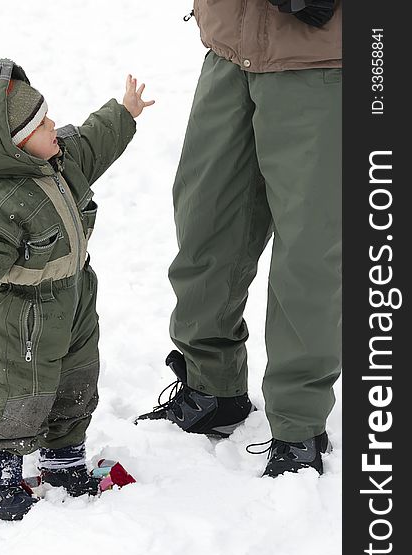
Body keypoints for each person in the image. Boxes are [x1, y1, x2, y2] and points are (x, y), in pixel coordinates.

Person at [0, 59, 154, 520]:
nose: (53, 126)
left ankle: (64, 459)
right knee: (20, 391)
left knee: (77, 378)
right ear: (11, 145)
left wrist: (123, 112)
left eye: (47, 117)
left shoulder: (60, 158)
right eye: (41, 124)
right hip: (25, 315)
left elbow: (92, 140)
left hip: (75, 295)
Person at [137, 0, 341, 477]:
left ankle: (298, 427)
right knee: (204, 225)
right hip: (231, 46)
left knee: (310, 252)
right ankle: (214, 387)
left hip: (323, 61)